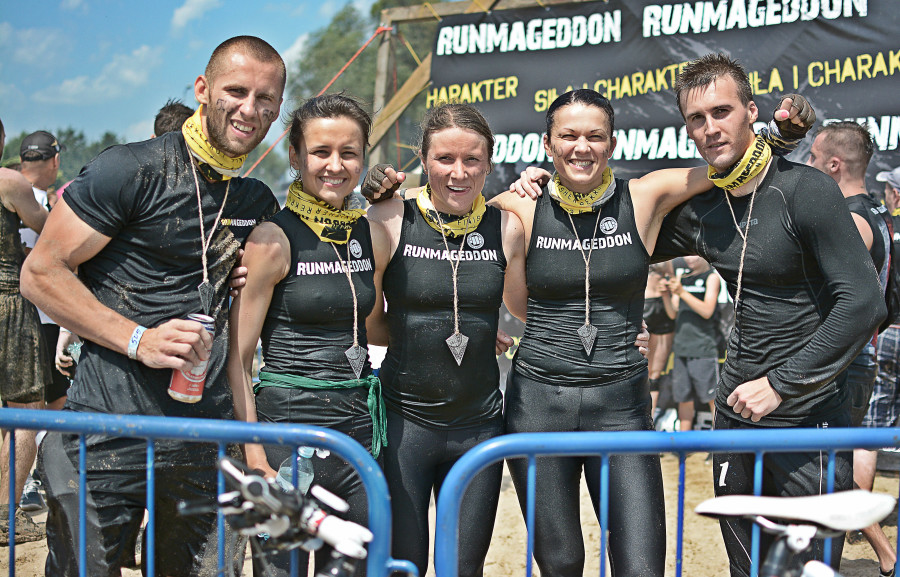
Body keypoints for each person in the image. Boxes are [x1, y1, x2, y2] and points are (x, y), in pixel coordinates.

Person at [20, 36, 285, 576]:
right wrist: (139, 339)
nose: (249, 109)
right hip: (104, 436)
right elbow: (41, 274)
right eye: (236, 91)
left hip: (201, 442)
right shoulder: (130, 169)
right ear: (204, 90)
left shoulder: (255, 199)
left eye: (266, 100)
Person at [650, 53, 885, 577]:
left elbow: (864, 301)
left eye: (722, 112)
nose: (710, 128)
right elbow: (627, 235)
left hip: (808, 415)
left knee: (807, 570)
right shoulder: (704, 211)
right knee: (746, 569)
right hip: (737, 414)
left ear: (751, 111)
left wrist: (780, 384)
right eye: (696, 118)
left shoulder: (807, 190)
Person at [363, 102, 527, 577]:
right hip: (404, 425)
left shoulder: (507, 227)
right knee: (404, 566)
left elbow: (529, 308)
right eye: (445, 160)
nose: (459, 173)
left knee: (463, 568)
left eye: (472, 161)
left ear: (489, 163)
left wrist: (624, 328)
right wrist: (427, 334)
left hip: (479, 427)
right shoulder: (391, 218)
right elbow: (371, 320)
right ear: (423, 159)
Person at [229, 93, 386, 577]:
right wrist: (255, 456)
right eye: (320, 152)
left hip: (360, 437)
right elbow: (237, 358)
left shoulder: (371, 234)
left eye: (349, 152)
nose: (335, 165)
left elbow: (374, 323)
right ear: (295, 156)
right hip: (286, 439)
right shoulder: (270, 241)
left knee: (358, 569)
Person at [810, 124, 897, 577]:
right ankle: (878, 554)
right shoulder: (874, 212)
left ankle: (880, 553)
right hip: (851, 360)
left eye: (812, 158)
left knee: (834, 473)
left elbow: (845, 300)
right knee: (837, 466)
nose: (807, 166)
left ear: (833, 165)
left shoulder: (854, 219)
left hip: (844, 362)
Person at [0, 117, 50, 546]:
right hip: (7, 302)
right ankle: (4, 516)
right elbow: (50, 231)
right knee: (25, 414)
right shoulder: (9, 183)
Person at [666, 256, 721, 431]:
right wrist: (665, 295)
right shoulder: (683, 277)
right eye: (686, 255)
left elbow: (707, 311)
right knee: (684, 400)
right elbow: (674, 313)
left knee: (712, 400)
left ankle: (718, 448)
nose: (688, 259)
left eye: (693, 255)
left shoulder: (711, 277)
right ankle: (684, 447)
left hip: (703, 348)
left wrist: (682, 292)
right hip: (681, 348)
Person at [644, 261, 676, 421]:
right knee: (642, 370)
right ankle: (640, 416)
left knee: (655, 373)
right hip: (645, 303)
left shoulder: (669, 247)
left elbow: (670, 273)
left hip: (663, 307)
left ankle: (650, 418)